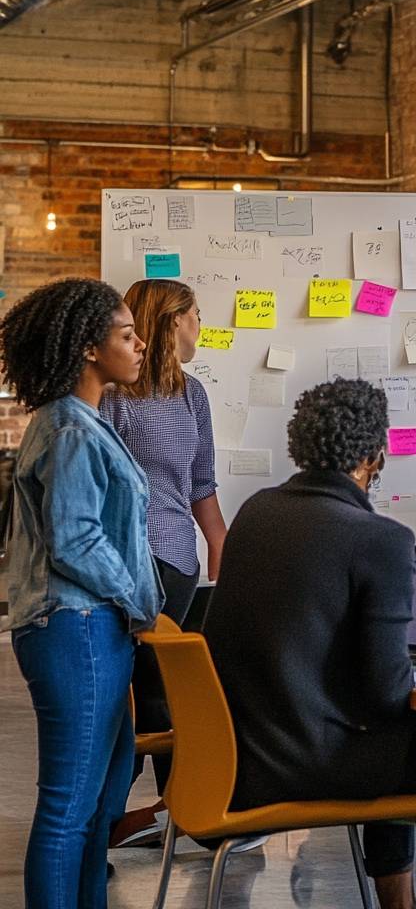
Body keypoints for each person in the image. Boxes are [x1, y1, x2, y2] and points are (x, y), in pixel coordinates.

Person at [204, 379, 416, 909]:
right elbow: (386, 693)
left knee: (393, 739)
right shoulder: (381, 538)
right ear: (374, 458)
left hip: (236, 758)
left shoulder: (255, 512)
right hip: (308, 764)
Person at [0, 278, 163, 909]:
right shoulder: (70, 427)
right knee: (69, 808)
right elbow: (75, 539)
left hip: (93, 627)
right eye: (127, 335)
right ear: (90, 349)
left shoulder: (83, 421)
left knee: (100, 805)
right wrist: (138, 601)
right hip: (76, 627)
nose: (140, 345)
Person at [101, 279, 227, 847]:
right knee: (144, 694)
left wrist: (219, 544)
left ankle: (170, 815)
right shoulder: (114, 393)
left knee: (163, 692)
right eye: (196, 314)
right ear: (173, 320)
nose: (201, 326)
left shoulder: (192, 394)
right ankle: (169, 817)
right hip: (129, 562)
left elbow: (201, 482)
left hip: (178, 564)